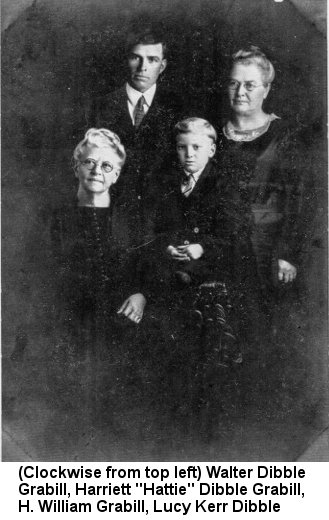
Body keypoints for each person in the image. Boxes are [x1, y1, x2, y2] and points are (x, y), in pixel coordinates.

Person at [143, 117, 242, 443]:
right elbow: (155, 232)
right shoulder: (167, 184)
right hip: (174, 277)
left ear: (212, 149)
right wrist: (168, 247)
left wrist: (202, 247)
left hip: (213, 278)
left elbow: (235, 238)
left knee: (211, 349)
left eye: (197, 147)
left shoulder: (222, 186)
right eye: (182, 147)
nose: (189, 154)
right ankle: (171, 426)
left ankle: (208, 430)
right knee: (169, 347)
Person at [216, 47, 303, 377]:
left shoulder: (286, 136)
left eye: (250, 85)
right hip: (221, 246)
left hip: (266, 250)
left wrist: (287, 253)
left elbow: (299, 200)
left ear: (266, 89)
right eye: (234, 83)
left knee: (261, 336)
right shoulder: (212, 134)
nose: (240, 92)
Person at [50, 128, 147, 425]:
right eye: (90, 162)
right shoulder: (55, 219)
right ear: (76, 167)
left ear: (116, 175)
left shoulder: (129, 221)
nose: (97, 171)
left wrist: (141, 294)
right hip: (68, 321)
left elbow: (143, 269)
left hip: (117, 321)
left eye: (107, 166)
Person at [93, 31, 184, 249]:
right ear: (126, 60)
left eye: (152, 59)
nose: (143, 67)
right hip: (111, 219)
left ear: (162, 66)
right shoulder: (99, 107)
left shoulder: (178, 107)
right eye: (136, 57)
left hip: (162, 222)